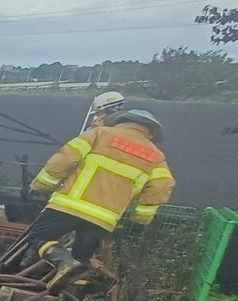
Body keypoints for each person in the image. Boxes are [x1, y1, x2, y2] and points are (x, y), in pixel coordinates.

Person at [24, 108, 175, 265]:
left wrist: (42, 185)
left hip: (68, 206)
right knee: (81, 258)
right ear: (150, 133)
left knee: (38, 238)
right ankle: (72, 287)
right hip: (104, 218)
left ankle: (64, 263)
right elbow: (162, 186)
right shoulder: (156, 157)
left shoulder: (99, 134)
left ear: (120, 122)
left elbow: (65, 159)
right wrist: (140, 219)